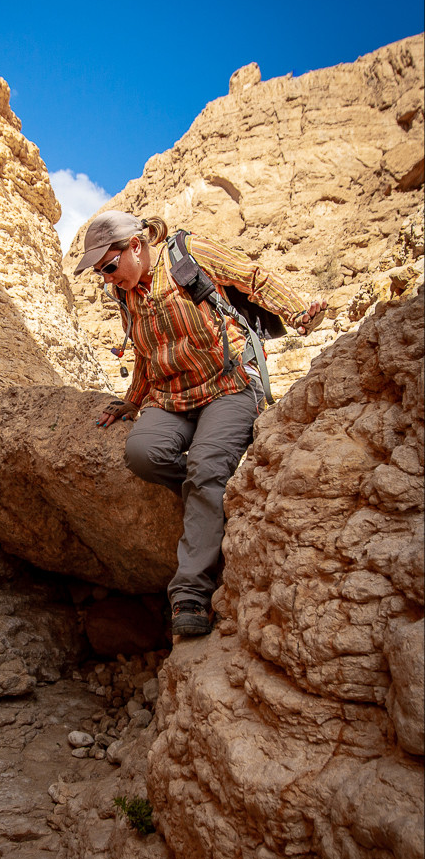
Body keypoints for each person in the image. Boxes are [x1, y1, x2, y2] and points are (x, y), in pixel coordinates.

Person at [74, 210, 328, 638]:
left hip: (229, 385)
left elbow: (253, 277)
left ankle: (190, 594)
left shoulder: (188, 253)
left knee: (207, 468)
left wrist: (300, 311)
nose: (107, 278)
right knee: (142, 453)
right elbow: (145, 353)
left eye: (109, 266)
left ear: (135, 246)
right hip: (172, 396)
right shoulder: (125, 294)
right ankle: (209, 497)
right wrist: (131, 401)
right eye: (100, 272)